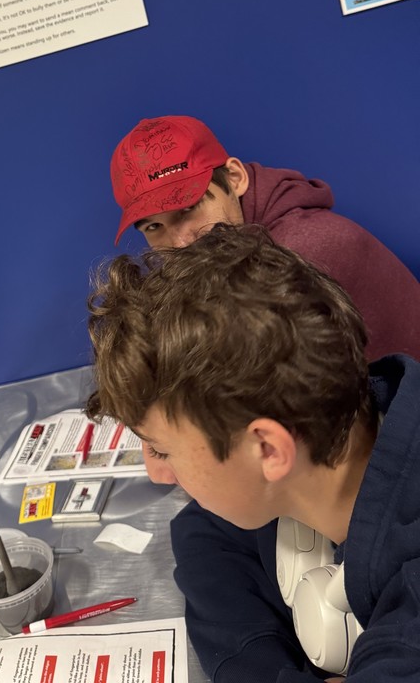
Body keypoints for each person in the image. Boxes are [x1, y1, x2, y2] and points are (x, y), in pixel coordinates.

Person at [86, 225, 420, 682]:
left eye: (163, 450)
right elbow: (202, 534)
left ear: (267, 448)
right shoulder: (356, 420)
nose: (158, 474)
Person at [109, 115, 420, 359]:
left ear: (235, 178)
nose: (179, 243)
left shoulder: (304, 251)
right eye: (154, 227)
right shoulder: (230, 247)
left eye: (189, 208)